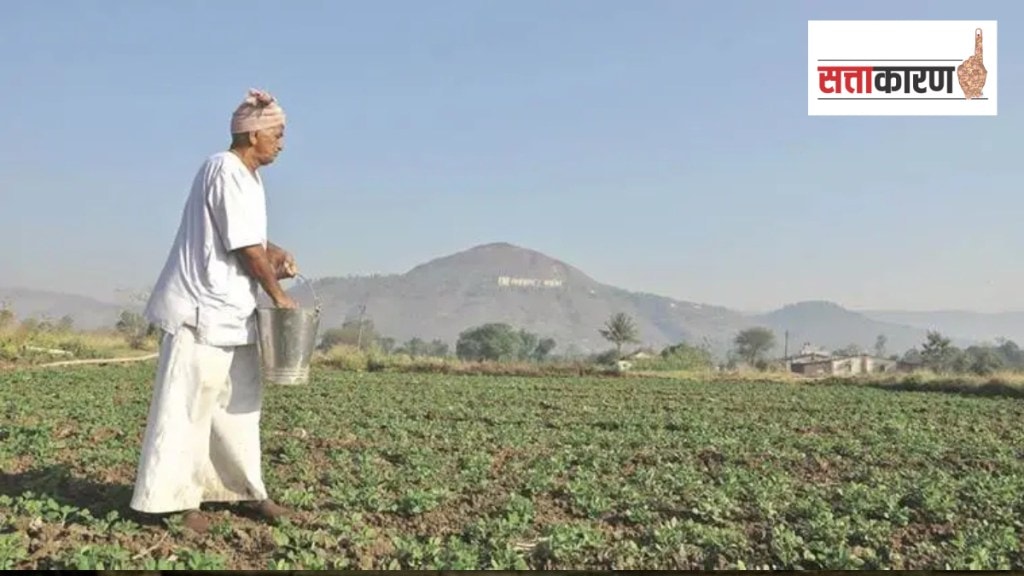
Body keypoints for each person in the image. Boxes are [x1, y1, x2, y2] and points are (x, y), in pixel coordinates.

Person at [129, 88, 299, 533]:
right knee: (188, 406)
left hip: (232, 311)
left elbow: (250, 239)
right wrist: (277, 295)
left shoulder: (249, 177)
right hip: (200, 311)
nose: (282, 143)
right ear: (252, 134)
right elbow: (243, 246)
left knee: (238, 405)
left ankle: (242, 491)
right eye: (277, 134)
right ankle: (180, 502)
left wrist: (274, 252)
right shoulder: (223, 168)